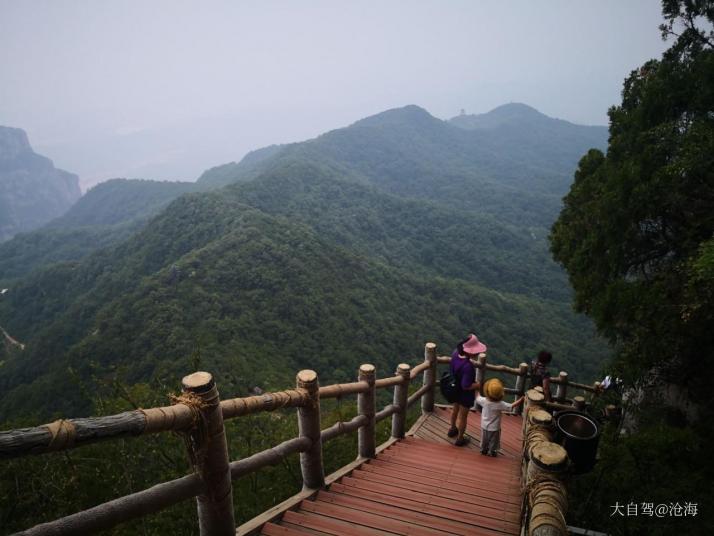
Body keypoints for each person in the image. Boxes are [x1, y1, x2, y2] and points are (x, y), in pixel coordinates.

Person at [447, 333, 486, 446]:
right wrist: (478, 385)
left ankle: (452, 429)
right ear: (469, 351)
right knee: (463, 416)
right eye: (475, 351)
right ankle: (460, 438)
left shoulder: (455, 353)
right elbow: (466, 385)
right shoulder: (468, 367)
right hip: (464, 394)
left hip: (454, 389)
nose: (477, 353)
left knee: (455, 410)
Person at [476, 378, 524, 456]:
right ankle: (492, 451)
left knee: (484, 439)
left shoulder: (484, 401)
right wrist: (521, 399)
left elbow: (477, 397)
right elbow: (512, 406)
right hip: (495, 427)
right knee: (494, 441)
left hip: (484, 426)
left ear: (487, 392)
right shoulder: (500, 404)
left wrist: (477, 387)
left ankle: (483, 449)